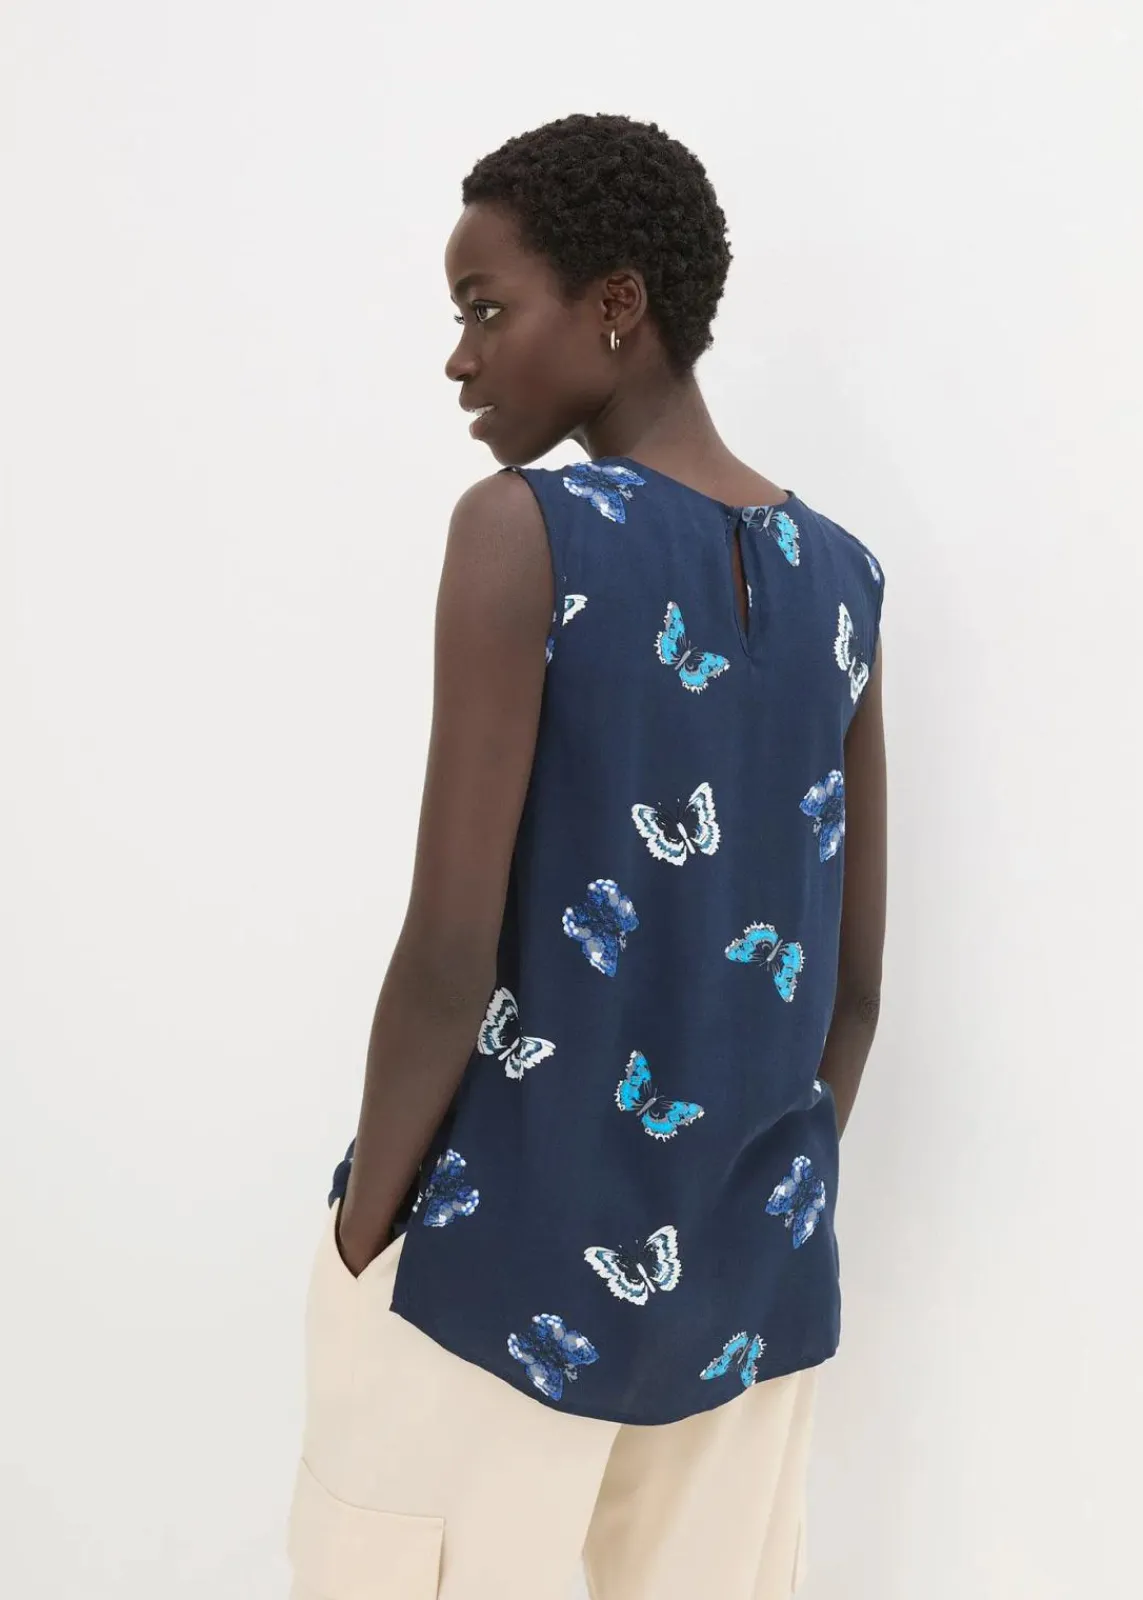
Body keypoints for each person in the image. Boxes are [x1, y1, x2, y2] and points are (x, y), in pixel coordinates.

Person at [285, 112, 887, 1600]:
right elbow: (854, 990)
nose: (460, 358)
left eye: (486, 309)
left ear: (617, 303)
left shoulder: (524, 531)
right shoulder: (845, 581)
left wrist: (364, 1239)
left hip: (495, 1267)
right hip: (749, 1286)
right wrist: (748, 1204)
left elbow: (450, 954)